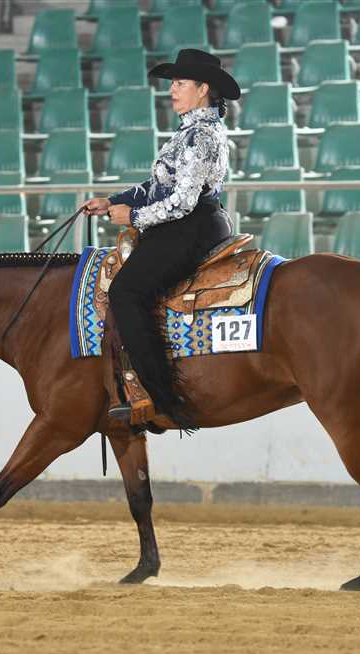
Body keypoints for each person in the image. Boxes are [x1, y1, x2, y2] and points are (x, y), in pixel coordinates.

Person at [83, 49, 241, 429]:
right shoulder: (191, 132)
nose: (172, 89)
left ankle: (160, 396)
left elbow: (182, 202)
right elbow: (157, 186)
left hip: (192, 227)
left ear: (203, 89)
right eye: (172, 83)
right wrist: (113, 201)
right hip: (192, 223)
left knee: (126, 292)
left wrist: (133, 217)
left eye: (180, 83)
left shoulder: (200, 135)